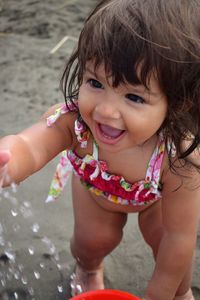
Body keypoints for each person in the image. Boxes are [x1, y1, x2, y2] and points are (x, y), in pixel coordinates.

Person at [0, 0, 200, 299]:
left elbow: (180, 236)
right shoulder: (75, 125)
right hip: (97, 196)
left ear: (177, 102)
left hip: (158, 202)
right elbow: (31, 145)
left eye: (134, 98)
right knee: (91, 243)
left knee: (170, 253)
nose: (105, 110)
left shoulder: (179, 159)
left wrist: (160, 292)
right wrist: (8, 160)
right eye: (95, 82)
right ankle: (89, 270)